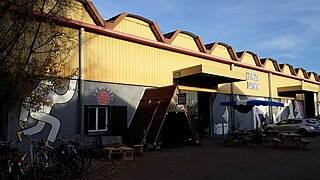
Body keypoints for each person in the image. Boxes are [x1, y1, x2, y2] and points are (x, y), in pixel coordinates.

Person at [16, 76, 77, 149]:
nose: (45, 89)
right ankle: (48, 142)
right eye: (43, 86)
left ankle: (21, 133)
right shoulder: (35, 93)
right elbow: (26, 102)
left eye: (48, 87)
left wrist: (73, 80)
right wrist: (23, 118)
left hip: (43, 114)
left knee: (39, 128)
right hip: (35, 113)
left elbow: (66, 97)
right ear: (40, 85)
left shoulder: (52, 96)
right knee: (56, 123)